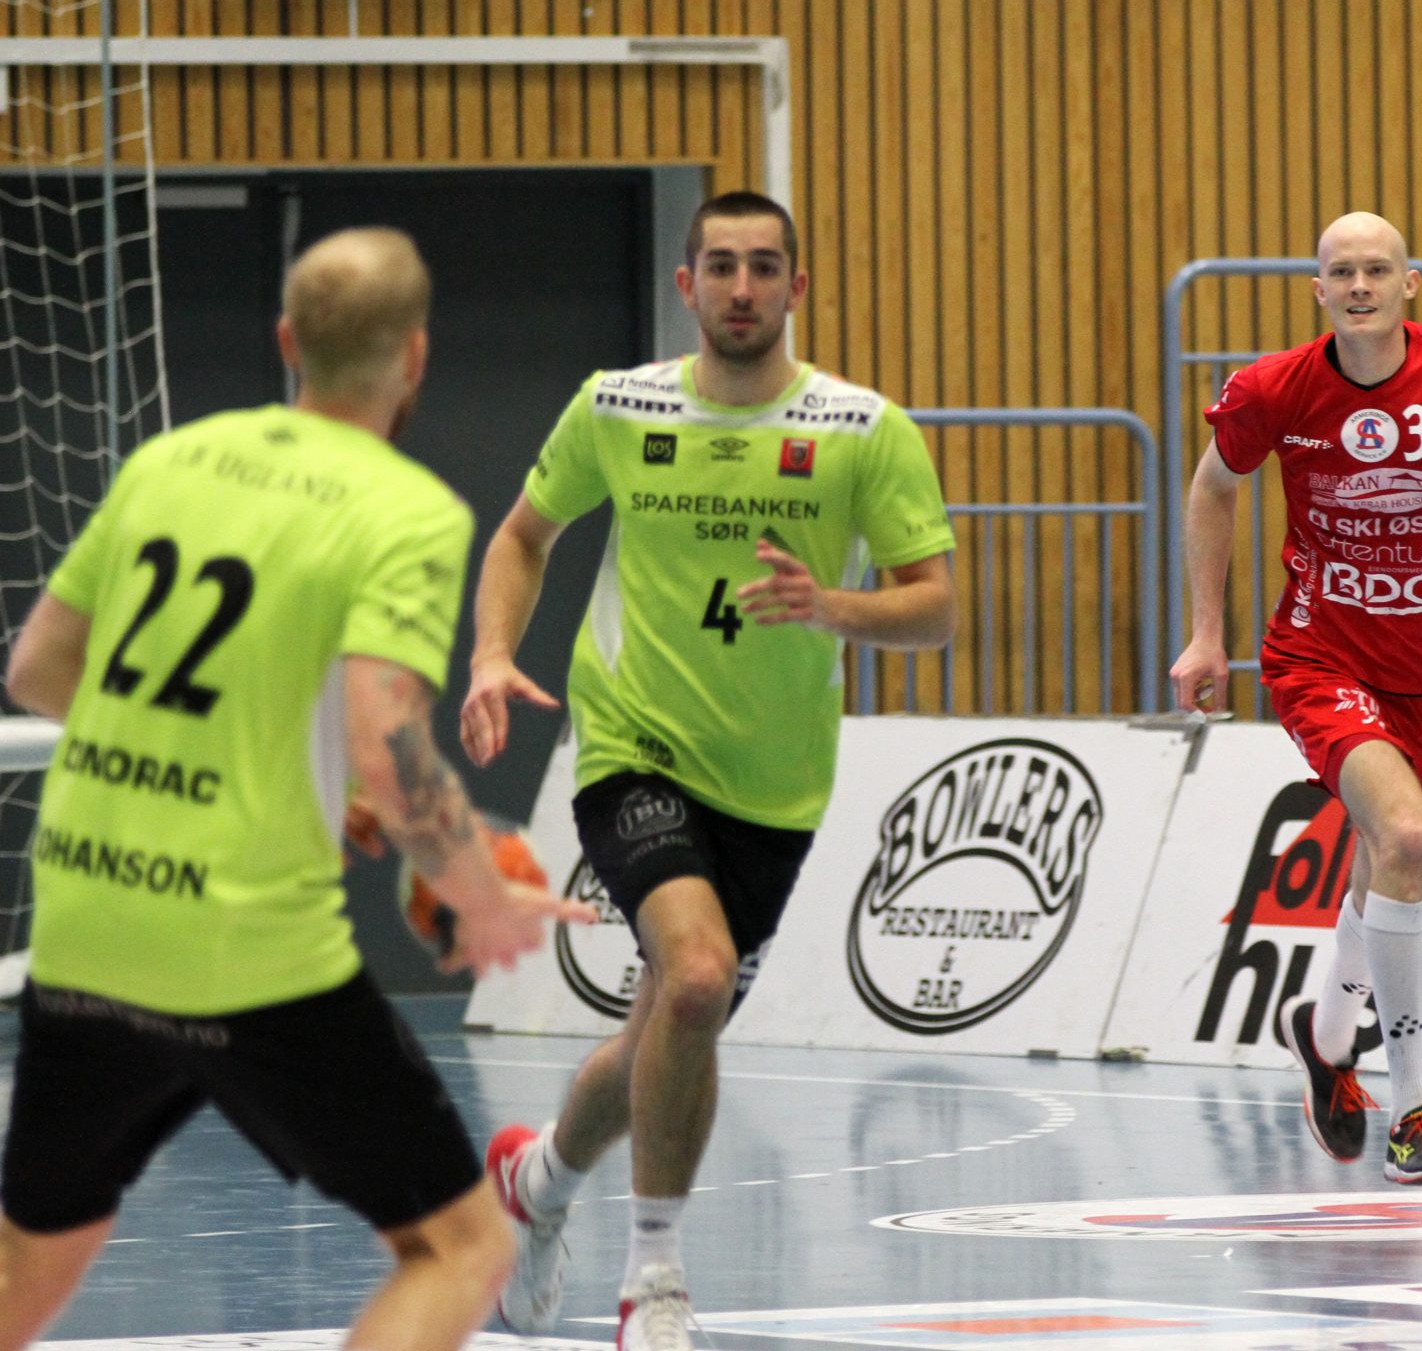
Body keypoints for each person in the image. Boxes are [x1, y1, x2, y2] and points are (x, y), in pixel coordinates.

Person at [0, 227, 592, 1351]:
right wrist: (479, 895)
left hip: (86, 917)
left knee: (24, 1269)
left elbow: (37, 668)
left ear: (286, 342)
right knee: (462, 1248)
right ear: (414, 357)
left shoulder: (170, 464)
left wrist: (250, 767)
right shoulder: (405, 509)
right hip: (248, 946)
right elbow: (386, 743)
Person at [459, 190, 957, 1350]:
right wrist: (489, 653)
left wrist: (829, 604)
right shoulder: (618, 405)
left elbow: (934, 609)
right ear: (685, 284)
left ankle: (535, 1182)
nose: (742, 287)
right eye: (720, 265)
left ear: (796, 286)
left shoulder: (861, 428)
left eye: (763, 266)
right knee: (692, 977)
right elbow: (524, 534)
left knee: (662, 1031)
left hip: (775, 788)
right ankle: (655, 1278)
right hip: (631, 747)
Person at [1170, 212, 1422, 1186]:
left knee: (1385, 867)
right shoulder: (1275, 389)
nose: (1358, 285)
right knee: (1403, 837)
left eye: (1376, 270)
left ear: (1408, 286)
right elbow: (1213, 485)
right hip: (1321, 657)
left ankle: (1323, 1040)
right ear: (1318, 291)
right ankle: (1414, 1113)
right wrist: (1205, 633)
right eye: (1341, 272)